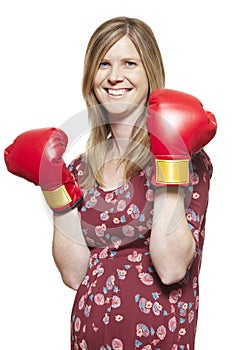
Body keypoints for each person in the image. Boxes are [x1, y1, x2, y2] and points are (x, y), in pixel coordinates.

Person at [4, 16, 217, 350]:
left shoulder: (186, 153)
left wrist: (170, 157)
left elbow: (172, 266)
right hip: (88, 336)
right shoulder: (78, 169)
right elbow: (74, 275)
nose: (114, 76)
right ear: (91, 76)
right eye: (103, 63)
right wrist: (54, 186)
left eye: (129, 63)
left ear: (149, 72)